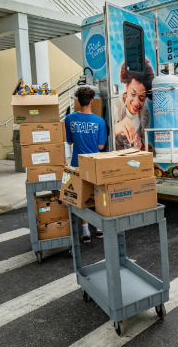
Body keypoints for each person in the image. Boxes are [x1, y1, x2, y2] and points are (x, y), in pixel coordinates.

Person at [65, 86, 107, 243]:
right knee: (96, 195)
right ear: (91, 101)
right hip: (95, 164)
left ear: (77, 101)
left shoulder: (69, 119)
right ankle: (99, 229)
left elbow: (69, 141)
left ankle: (85, 232)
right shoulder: (100, 121)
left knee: (81, 197)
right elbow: (101, 146)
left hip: (77, 163)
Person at [113, 59, 154, 150]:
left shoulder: (145, 112)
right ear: (126, 86)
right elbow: (100, 141)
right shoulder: (114, 105)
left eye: (141, 99)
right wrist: (115, 129)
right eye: (133, 94)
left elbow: (144, 145)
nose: (136, 103)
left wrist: (140, 144)